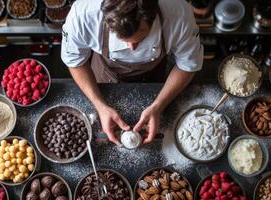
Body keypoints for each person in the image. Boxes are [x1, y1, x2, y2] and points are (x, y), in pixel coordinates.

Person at [61, 0, 203, 145]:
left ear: (152, 18)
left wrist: (158, 106)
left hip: (154, 75)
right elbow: (75, 62)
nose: (132, 48)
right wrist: (100, 106)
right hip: (105, 74)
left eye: (141, 39)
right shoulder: (82, 15)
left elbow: (188, 65)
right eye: (122, 40)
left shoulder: (179, 14)